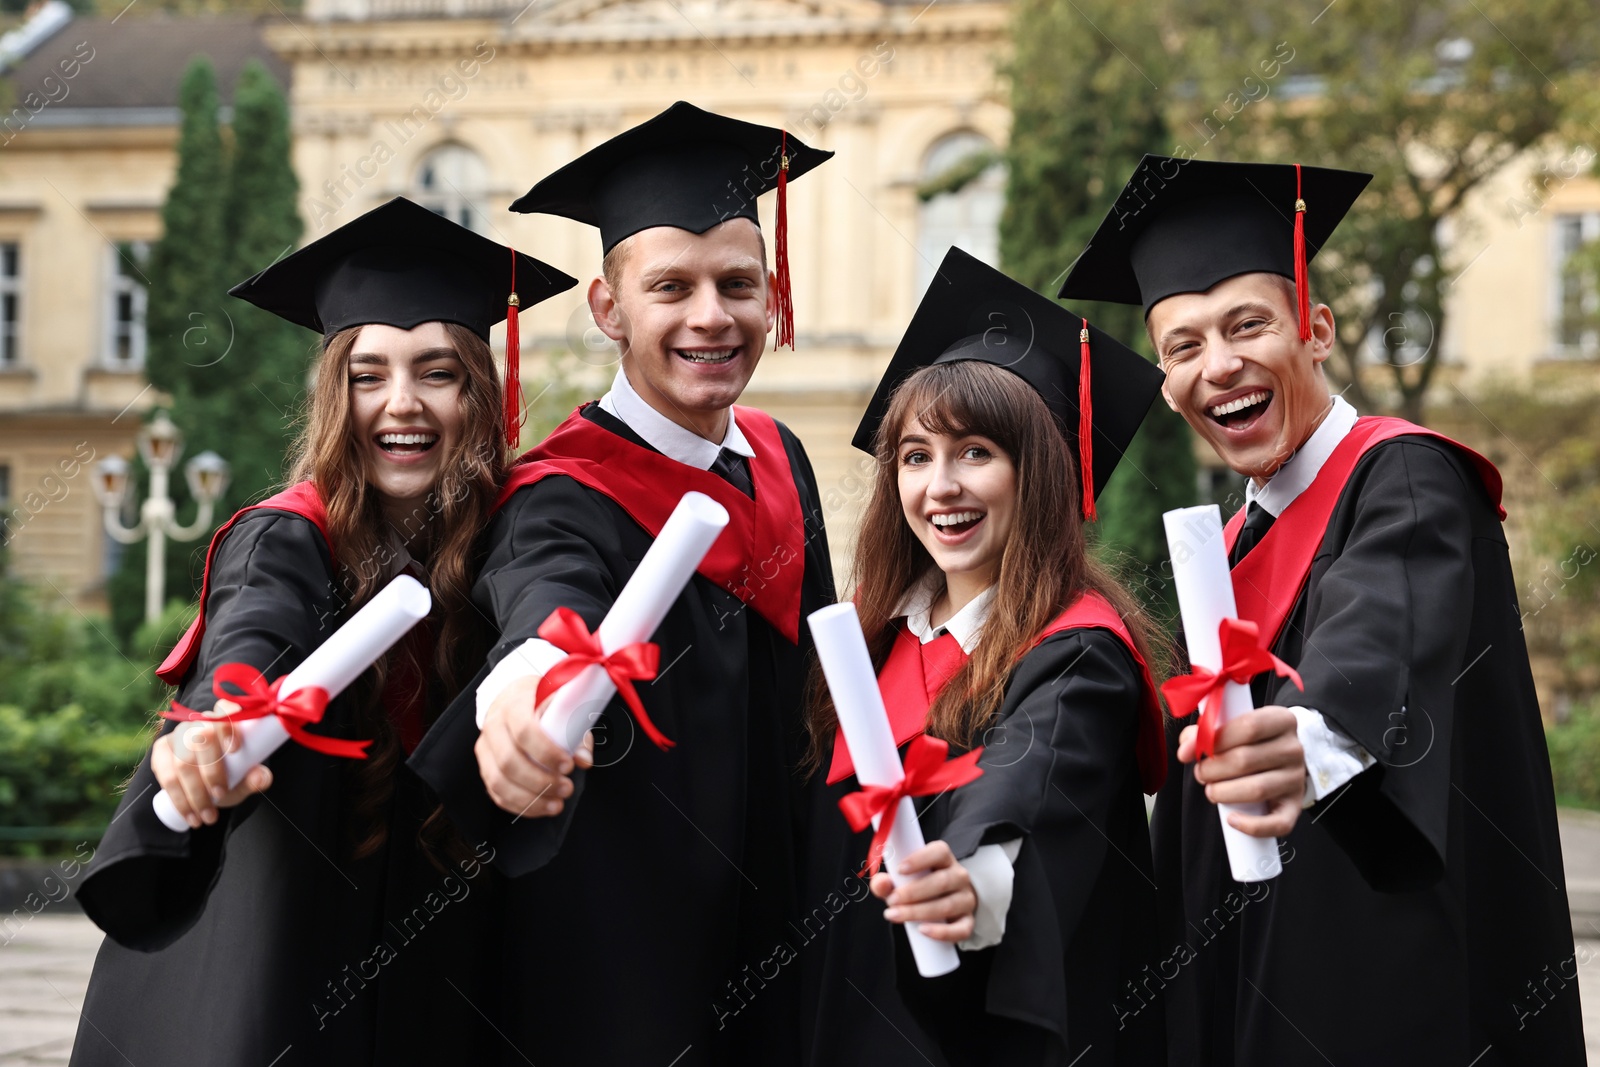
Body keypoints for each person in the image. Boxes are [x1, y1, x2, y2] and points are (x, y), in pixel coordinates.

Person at [1061, 155, 1585, 1065]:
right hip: (1248, 973)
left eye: (1246, 325)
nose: (1217, 365)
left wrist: (1307, 733)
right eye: (1182, 346)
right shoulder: (1228, 545)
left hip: (1381, 977)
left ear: (1317, 329)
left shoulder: (1407, 476)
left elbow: (1383, 625)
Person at [70, 198, 576, 1067]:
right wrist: (221, 719)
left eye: (438, 372)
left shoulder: (514, 530)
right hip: (281, 952)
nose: (401, 404)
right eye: (368, 374)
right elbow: (252, 625)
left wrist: (545, 670)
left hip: (439, 961)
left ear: (481, 389)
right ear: (335, 394)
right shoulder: (291, 534)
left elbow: (548, 592)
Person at [406, 102, 839, 1066]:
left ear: (770, 295)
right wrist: (526, 698)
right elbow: (548, 611)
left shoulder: (780, 457)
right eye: (670, 287)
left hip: (780, 917)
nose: (710, 316)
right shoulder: (561, 495)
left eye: (737, 284)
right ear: (609, 309)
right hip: (627, 949)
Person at [805, 246, 1171, 1066]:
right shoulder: (867, 640)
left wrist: (970, 875)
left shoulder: (1078, 652)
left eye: (977, 452)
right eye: (916, 456)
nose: (942, 487)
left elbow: (1033, 780)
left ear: (1035, 473)